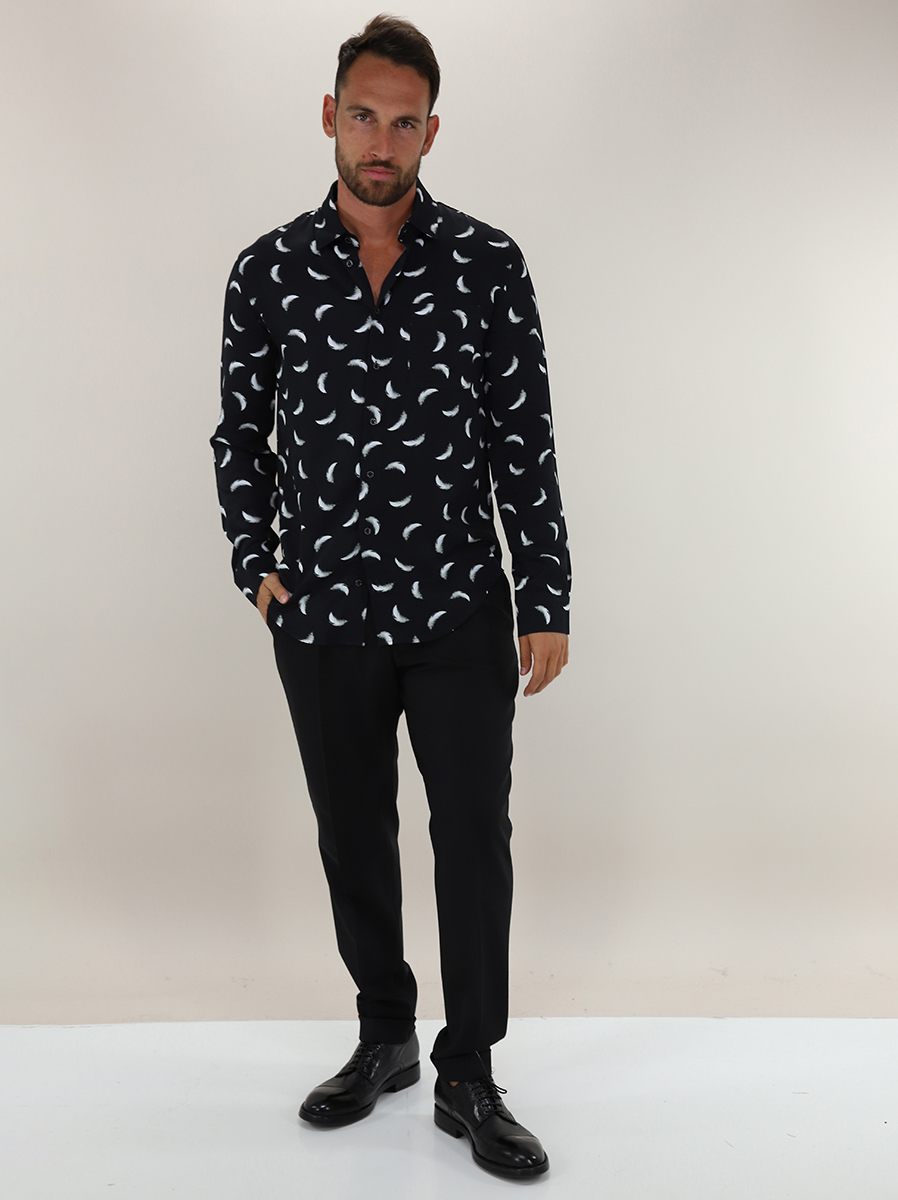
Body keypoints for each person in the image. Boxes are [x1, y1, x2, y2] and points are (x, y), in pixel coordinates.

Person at [211, 14, 570, 1181]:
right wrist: (254, 563)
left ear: (430, 131)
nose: (381, 140)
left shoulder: (487, 264)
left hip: (458, 607)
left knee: (471, 835)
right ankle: (385, 1036)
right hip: (320, 613)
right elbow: (240, 433)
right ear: (330, 116)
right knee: (351, 831)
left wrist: (545, 594)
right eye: (362, 115)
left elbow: (522, 440)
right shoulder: (267, 270)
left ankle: (470, 1069)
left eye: (403, 122)